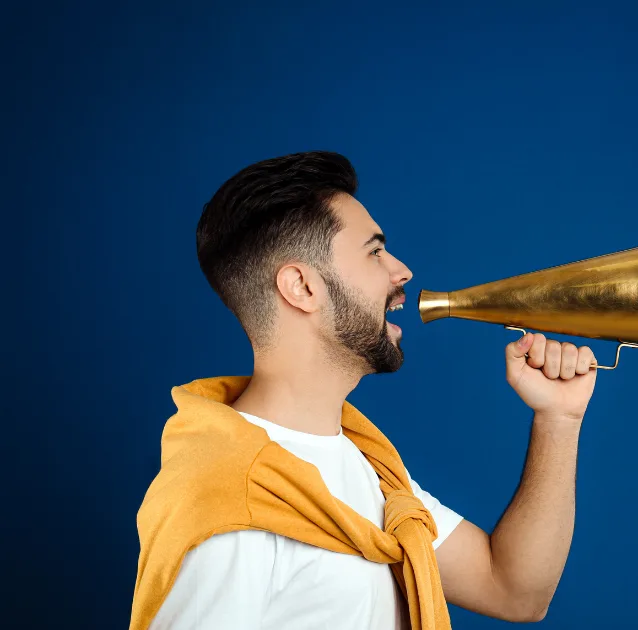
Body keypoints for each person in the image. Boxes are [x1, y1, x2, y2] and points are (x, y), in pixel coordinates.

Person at [131, 151, 597, 630]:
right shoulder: (225, 508)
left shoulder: (368, 466)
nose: (402, 271)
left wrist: (559, 420)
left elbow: (514, 590)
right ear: (302, 287)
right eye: (374, 251)